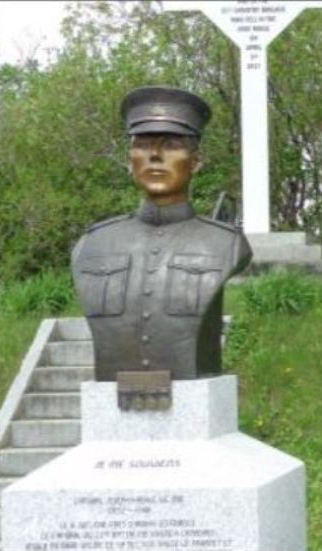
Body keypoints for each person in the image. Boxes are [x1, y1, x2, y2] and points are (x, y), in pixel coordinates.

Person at [71, 86, 251, 410]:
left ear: (195, 161)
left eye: (170, 145)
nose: (155, 156)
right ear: (130, 161)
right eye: (142, 145)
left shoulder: (226, 244)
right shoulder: (92, 244)